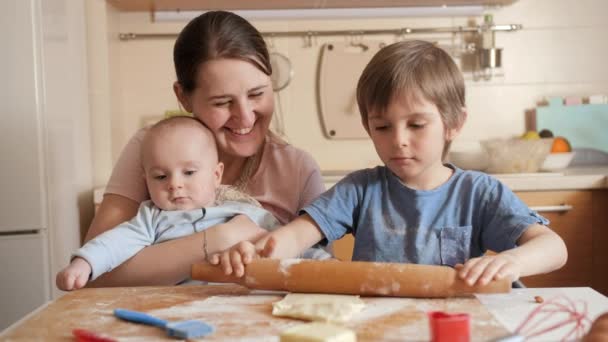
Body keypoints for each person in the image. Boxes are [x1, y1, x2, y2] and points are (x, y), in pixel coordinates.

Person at [211, 40, 568, 287]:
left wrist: (512, 263)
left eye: (416, 124)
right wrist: (259, 250)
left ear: (454, 123)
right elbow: (297, 235)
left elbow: (554, 248)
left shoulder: (480, 192)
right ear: (368, 126)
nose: (398, 139)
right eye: (382, 126)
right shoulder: (360, 189)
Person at [86, 11, 325, 286]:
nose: (245, 117)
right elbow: (96, 275)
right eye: (223, 102)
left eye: (257, 94)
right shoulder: (151, 148)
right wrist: (221, 238)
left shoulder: (298, 169)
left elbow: (322, 274)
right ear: (183, 97)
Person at [57, 116, 279, 290]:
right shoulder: (150, 219)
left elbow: (287, 245)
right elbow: (115, 242)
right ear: (146, 181)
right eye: (161, 177)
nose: (175, 184)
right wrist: (84, 263)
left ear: (216, 174)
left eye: (189, 172)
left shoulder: (243, 214)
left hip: (231, 302)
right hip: (167, 306)